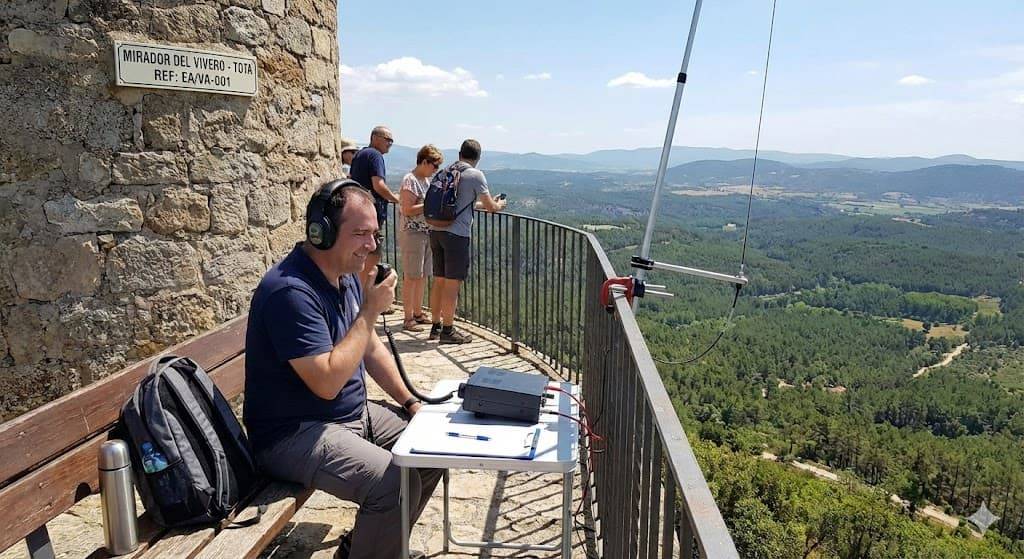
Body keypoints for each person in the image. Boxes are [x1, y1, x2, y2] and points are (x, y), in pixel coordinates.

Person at [243, 181, 440, 559]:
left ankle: (370, 547)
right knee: (393, 482)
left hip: (349, 417)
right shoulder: (291, 292)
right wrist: (370, 312)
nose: (371, 245)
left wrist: (412, 403)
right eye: (360, 234)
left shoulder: (346, 276)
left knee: (433, 449)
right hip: (294, 434)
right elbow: (327, 383)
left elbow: (369, 347)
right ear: (322, 232)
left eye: (374, 234)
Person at [428, 139, 507, 343]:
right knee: (452, 284)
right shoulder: (475, 175)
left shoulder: (446, 171)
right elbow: (491, 207)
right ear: (478, 158)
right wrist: (499, 205)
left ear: (460, 153)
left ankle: (435, 326)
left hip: (435, 229)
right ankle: (448, 331)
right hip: (457, 234)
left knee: (439, 280)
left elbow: (463, 203)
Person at [349, 126, 400, 290]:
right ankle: (364, 297)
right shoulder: (375, 155)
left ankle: (355, 294)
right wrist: (394, 198)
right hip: (371, 214)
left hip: (357, 213)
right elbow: (378, 185)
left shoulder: (360, 155)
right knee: (371, 255)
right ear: (375, 137)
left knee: (358, 255)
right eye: (388, 139)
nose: (390, 144)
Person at [399, 145, 443, 331]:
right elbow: (407, 210)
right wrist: (428, 205)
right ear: (424, 162)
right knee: (411, 276)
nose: (435, 170)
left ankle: (418, 313)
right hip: (413, 233)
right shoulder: (410, 180)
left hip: (426, 232)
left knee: (422, 275)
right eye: (434, 165)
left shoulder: (425, 181)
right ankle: (408, 318)